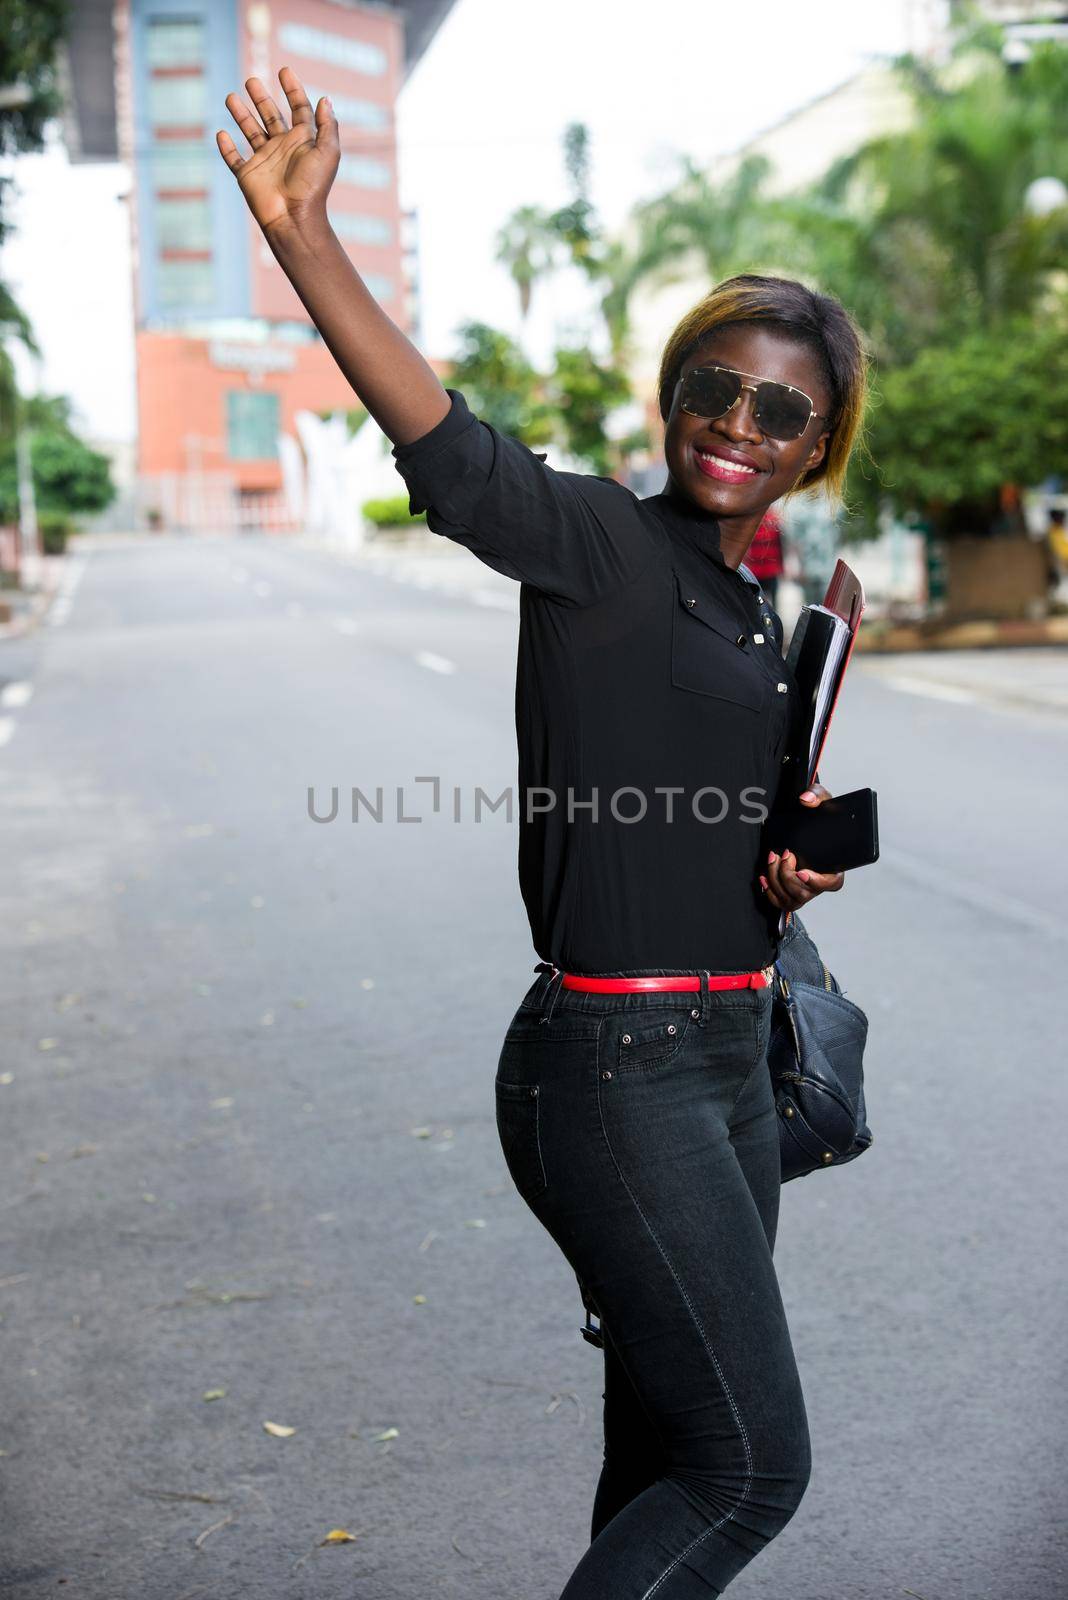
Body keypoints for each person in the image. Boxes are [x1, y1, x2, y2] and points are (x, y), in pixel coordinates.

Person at [218, 69, 870, 1598]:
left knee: (662, 1452)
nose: (737, 422)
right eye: (713, 385)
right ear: (673, 389)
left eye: (782, 411)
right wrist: (310, 241)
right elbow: (451, 448)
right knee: (749, 1469)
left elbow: (716, 815)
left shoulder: (757, 604)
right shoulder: (598, 546)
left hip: (729, 1056)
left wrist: (790, 864)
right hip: (617, 1066)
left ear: (816, 446)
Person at [742, 505, 785, 609]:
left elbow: (780, 545)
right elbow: (781, 546)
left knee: (760, 603)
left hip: (764, 571)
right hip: (759, 571)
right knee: (763, 602)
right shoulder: (752, 520)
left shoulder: (751, 519)